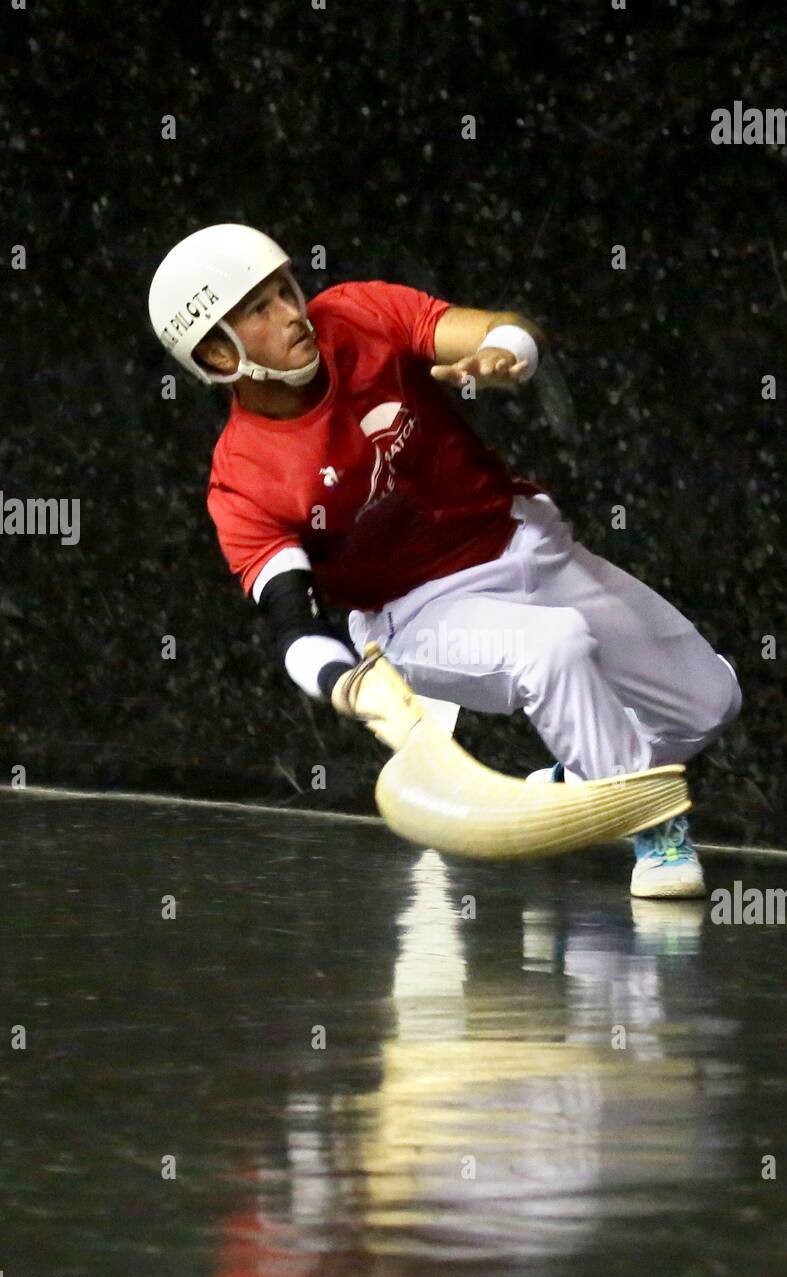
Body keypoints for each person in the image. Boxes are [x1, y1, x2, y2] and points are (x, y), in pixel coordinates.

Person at [148, 224, 741, 898]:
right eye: (260, 309)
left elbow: (505, 328)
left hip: (522, 543)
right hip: (419, 614)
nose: (293, 314)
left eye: (287, 289)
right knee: (553, 647)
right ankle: (656, 835)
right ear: (218, 355)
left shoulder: (355, 314)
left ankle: (579, 784)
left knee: (708, 703)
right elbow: (293, 624)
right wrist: (349, 685)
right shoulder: (243, 478)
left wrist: (503, 354)